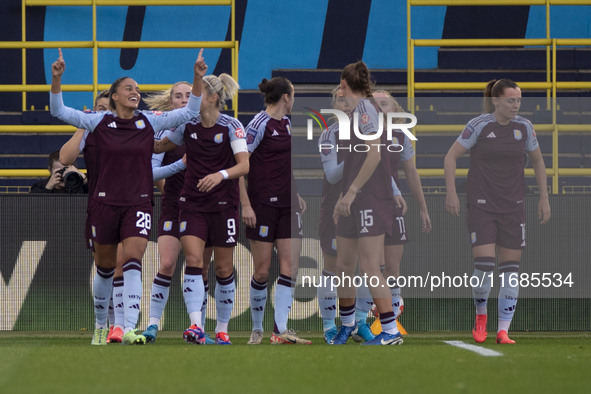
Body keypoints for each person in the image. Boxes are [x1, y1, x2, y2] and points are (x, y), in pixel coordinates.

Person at [50, 47, 206, 345]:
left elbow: (189, 112)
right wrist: (57, 79)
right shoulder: (97, 122)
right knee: (106, 267)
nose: (135, 91)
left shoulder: (149, 120)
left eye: (137, 88)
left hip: (138, 202)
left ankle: (128, 327)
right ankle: (100, 325)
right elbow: (59, 111)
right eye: (128, 88)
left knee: (133, 259)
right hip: (104, 204)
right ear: (115, 97)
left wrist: (197, 78)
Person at [444, 78, 551, 344]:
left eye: (518, 100)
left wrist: (544, 198)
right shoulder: (479, 125)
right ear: (496, 100)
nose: (515, 105)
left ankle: (503, 330)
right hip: (482, 204)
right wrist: (451, 193)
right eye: (510, 100)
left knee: (511, 269)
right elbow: (450, 157)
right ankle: (481, 316)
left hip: (513, 206)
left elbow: (537, 161)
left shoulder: (524, 128)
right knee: (484, 265)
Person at [153, 73, 248, 345]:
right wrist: (130, 131)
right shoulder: (187, 125)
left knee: (223, 269)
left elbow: (244, 165)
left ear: (213, 98)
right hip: (192, 204)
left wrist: (220, 175)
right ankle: (196, 325)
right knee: (194, 262)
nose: (193, 99)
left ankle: (221, 329)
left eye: (199, 94)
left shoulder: (231, 126)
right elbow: (160, 145)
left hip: (224, 206)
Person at [330, 61, 402, 346]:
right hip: (352, 198)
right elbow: (355, 161)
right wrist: (343, 196)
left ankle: (390, 332)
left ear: (346, 86)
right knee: (344, 266)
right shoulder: (356, 113)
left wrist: (351, 193)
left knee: (371, 267)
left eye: (342, 87)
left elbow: (374, 156)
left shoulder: (365, 110)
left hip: (370, 197)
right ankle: (347, 325)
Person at [240, 77, 311, 345]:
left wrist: (296, 192)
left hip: (288, 205)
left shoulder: (288, 123)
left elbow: (285, 164)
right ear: (286, 97)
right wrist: (245, 204)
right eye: (293, 95)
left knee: (290, 268)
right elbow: (239, 165)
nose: (294, 100)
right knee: (261, 271)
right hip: (261, 206)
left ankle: (280, 329)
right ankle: (257, 328)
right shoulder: (258, 124)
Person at [373, 90, 432, 325]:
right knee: (373, 267)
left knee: (392, 268)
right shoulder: (362, 134)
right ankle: (373, 318)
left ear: (393, 108)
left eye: (384, 104)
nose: (380, 108)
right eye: (375, 105)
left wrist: (423, 208)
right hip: (370, 203)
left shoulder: (401, 135)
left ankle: (393, 318)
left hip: (394, 207)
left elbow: (411, 173)